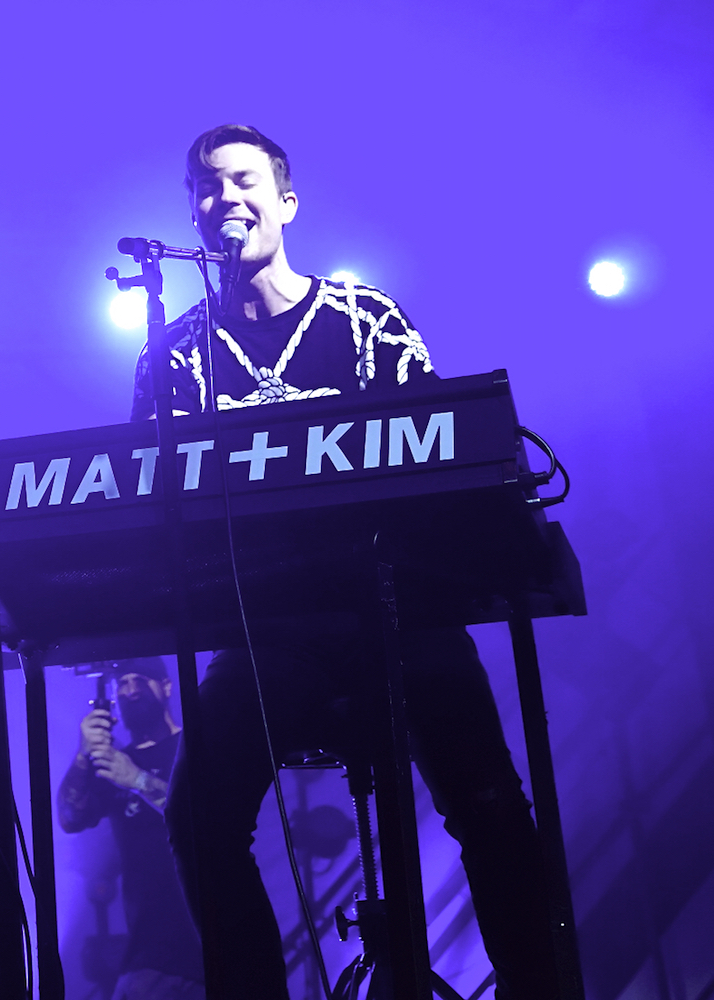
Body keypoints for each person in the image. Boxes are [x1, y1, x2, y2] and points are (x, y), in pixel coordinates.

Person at [133, 124, 556, 998]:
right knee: (198, 815)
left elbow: (441, 459)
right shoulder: (173, 354)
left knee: (489, 804)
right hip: (269, 630)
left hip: (400, 607)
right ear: (192, 215)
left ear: (287, 202)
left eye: (243, 179)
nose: (224, 198)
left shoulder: (364, 318)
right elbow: (144, 499)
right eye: (207, 187)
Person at [57, 660, 204, 1000]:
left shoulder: (195, 745)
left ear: (166, 686)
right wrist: (83, 756)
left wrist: (138, 780)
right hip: (150, 960)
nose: (131, 690)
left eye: (140, 679)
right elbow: (70, 817)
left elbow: (208, 817)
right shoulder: (115, 763)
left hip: (214, 945)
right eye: (122, 683)